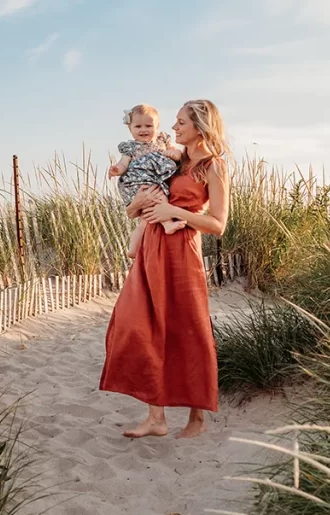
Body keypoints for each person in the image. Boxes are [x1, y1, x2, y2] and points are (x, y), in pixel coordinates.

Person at [99, 99, 231, 439]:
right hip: (150, 247)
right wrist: (140, 203)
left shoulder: (213, 166)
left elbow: (217, 223)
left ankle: (196, 418)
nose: (174, 127)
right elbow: (133, 210)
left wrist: (176, 212)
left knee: (188, 328)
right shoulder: (171, 159)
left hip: (182, 252)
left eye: (181, 122)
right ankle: (156, 418)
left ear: (200, 126)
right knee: (141, 324)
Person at [108, 104, 185, 258]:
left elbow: (176, 152)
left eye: (148, 125)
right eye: (138, 126)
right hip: (139, 183)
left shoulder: (162, 140)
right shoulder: (131, 147)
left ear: (157, 126)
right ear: (130, 129)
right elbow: (123, 164)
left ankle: (132, 249)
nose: (143, 130)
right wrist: (116, 169)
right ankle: (168, 224)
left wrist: (174, 154)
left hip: (153, 180)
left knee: (144, 220)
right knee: (159, 198)